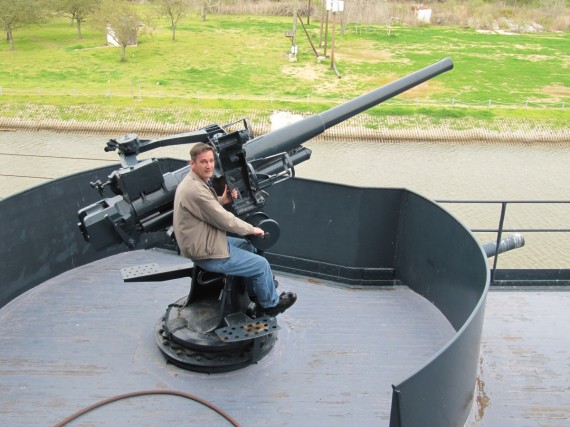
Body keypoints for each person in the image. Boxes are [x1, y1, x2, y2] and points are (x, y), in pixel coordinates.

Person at [173, 142, 297, 316]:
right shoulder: (194, 189)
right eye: (203, 162)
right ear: (192, 163)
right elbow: (224, 220)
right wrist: (251, 229)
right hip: (206, 252)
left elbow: (207, 207)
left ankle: (256, 293)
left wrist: (222, 201)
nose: (209, 166)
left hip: (205, 240)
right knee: (261, 265)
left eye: (211, 161)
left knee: (250, 247)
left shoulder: (194, 181)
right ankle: (270, 305)